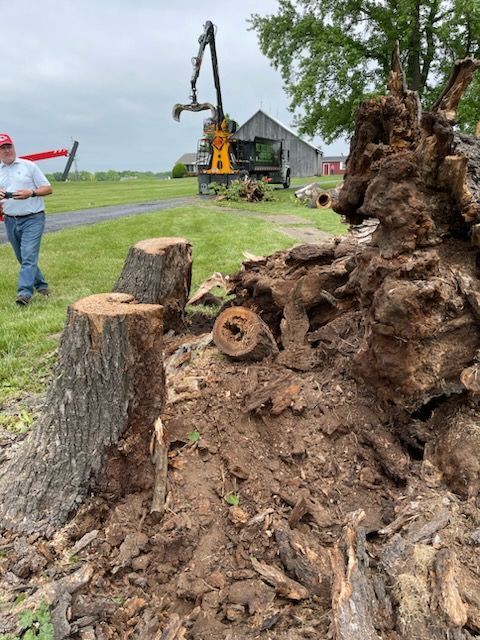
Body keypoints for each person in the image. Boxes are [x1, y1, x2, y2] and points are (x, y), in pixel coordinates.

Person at [0, 133, 53, 306]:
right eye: (2, 148)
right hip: (10, 219)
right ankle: (41, 285)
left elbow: (48, 188)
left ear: (13, 147)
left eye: (9, 146)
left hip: (33, 218)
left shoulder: (29, 166)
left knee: (29, 255)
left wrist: (31, 192)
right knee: (22, 256)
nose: (7, 150)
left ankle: (24, 293)